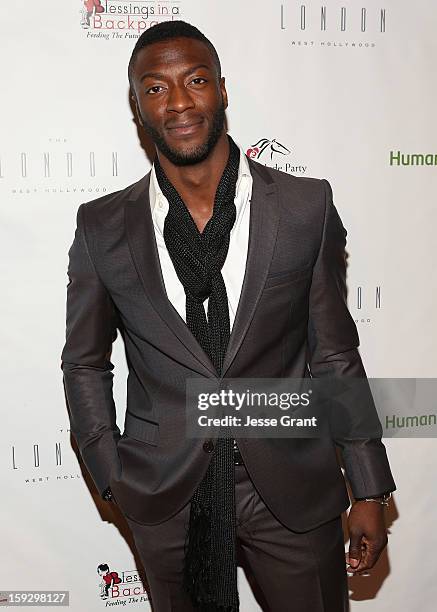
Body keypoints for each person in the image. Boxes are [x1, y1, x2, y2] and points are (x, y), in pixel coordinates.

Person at [61, 19, 396, 612]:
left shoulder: (304, 207)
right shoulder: (102, 227)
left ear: (222, 89)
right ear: (137, 107)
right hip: (165, 492)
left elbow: (335, 353)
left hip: (290, 488)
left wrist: (368, 485)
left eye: (194, 80)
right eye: (156, 88)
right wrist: (109, 470)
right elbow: (85, 363)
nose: (180, 101)